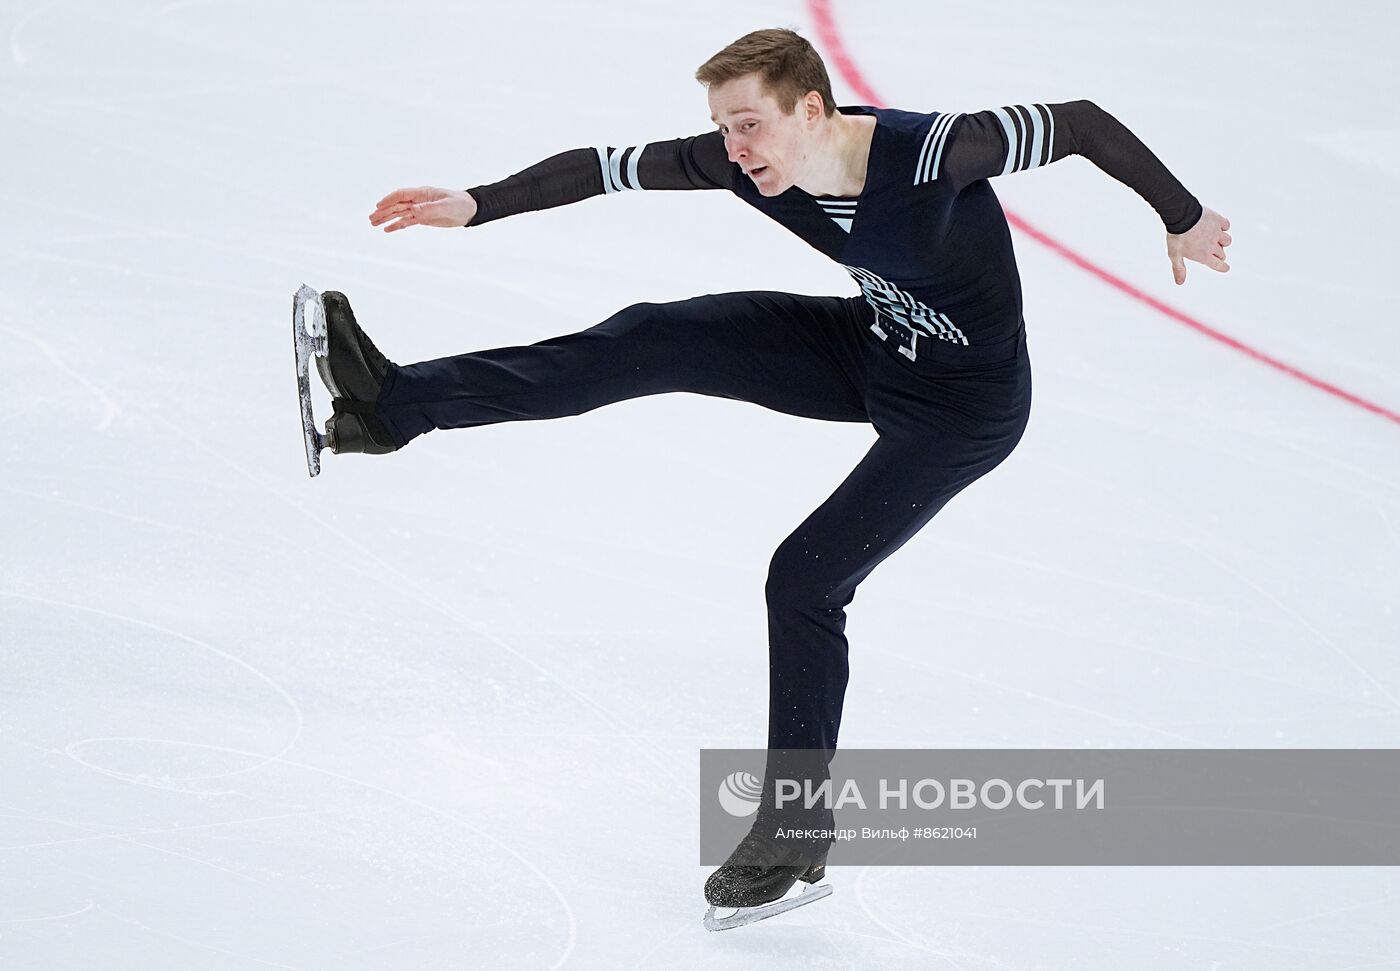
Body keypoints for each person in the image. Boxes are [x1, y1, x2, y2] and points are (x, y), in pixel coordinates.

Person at [313, 28, 1231, 916]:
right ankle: (385, 407)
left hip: (965, 409)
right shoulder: (743, 164)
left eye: (748, 124)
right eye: (721, 126)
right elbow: (603, 166)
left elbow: (1080, 120)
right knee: (655, 335)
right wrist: (479, 202)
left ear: (813, 108)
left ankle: (797, 822)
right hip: (868, 345)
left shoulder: (938, 150)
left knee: (803, 580)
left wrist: (1182, 216)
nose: (731, 146)